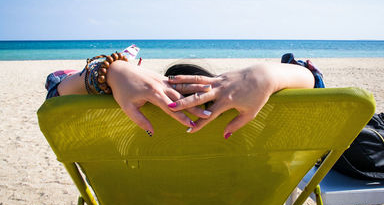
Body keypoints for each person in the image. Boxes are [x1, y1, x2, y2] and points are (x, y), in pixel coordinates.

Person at [45, 47, 324, 139]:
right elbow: (316, 85)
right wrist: (268, 74)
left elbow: (55, 94)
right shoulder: (248, 141)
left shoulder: (133, 149)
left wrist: (109, 71)